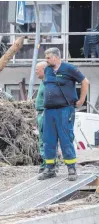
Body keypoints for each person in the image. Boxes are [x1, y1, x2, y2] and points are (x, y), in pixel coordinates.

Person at [38, 47, 89, 181]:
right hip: (49, 111)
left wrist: (81, 100)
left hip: (64, 110)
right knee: (48, 140)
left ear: (56, 57)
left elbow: (85, 82)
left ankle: (71, 168)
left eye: (48, 57)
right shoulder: (47, 70)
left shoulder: (69, 68)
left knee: (66, 139)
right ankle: (50, 169)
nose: (46, 60)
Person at [35, 62, 47, 173]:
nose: (35, 71)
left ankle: (47, 165)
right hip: (41, 114)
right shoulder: (43, 82)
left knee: (44, 141)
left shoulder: (48, 83)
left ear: (44, 69)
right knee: (43, 140)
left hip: (44, 114)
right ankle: (47, 164)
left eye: (37, 69)